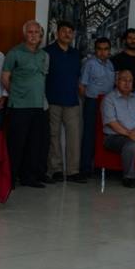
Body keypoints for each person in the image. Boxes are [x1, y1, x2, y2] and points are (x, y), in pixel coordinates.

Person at [2, 20, 50, 188]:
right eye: (30, 32)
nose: (34, 35)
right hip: (19, 106)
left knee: (34, 144)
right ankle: (9, 178)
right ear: (24, 34)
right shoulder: (14, 53)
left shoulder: (44, 55)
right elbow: (5, 78)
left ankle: (27, 177)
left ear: (41, 35)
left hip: (39, 106)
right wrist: (17, 94)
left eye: (36, 32)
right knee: (16, 144)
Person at [45, 22, 84, 183]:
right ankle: (56, 170)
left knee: (74, 136)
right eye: (64, 31)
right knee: (53, 136)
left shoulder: (76, 54)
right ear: (57, 33)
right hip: (52, 100)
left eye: (70, 32)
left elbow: (78, 77)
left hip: (71, 101)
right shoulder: (47, 52)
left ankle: (73, 171)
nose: (67, 34)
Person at [78, 37, 115, 178]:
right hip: (92, 102)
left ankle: (100, 166)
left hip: (107, 103)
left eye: (105, 49)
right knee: (89, 135)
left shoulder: (110, 65)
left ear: (109, 50)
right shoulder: (89, 64)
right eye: (99, 49)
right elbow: (81, 85)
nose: (102, 52)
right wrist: (87, 101)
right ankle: (85, 168)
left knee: (104, 135)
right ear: (95, 50)